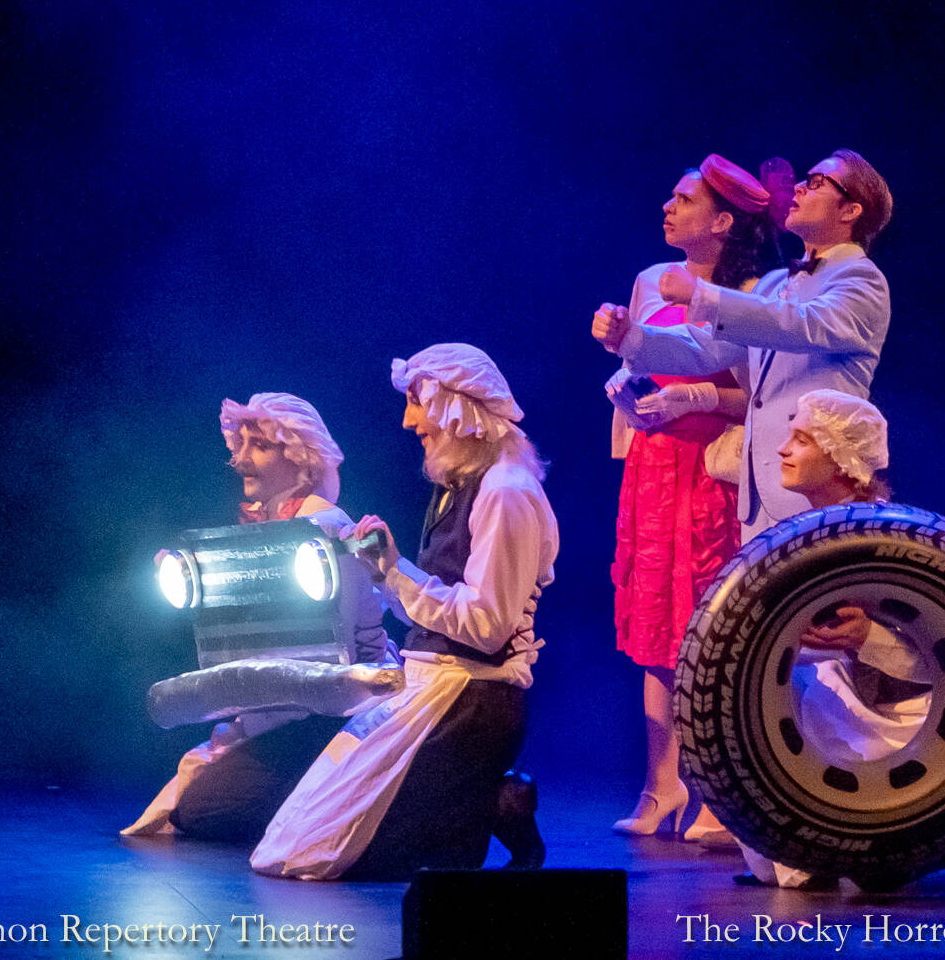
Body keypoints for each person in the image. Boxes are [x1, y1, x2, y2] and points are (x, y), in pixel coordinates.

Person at [251, 344, 557, 880]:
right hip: (426, 682)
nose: (409, 420)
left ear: (456, 409)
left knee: (333, 855)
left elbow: (486, 627)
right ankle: (470, 798)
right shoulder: (459, 486)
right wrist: (382, 570)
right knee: (290, 845)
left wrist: (398, 572)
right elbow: (439, 605)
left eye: (418, 403)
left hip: (471, 695)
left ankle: (498, 800)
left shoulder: (506, 492)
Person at [735, 390, 945, 889]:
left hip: (902, 718)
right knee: (785, 863)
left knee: (874, 870)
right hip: (825, 704)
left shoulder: (896, 543)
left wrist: (867, 637)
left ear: (842, 462)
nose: (783, 450)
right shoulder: (796, 538)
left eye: (801, 440)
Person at [604, 154, 787, 841]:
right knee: (655, 628)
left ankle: (719, 791)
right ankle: (660, 784)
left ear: (720, 221)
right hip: (656, 461)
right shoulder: (653, 278)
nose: (668, 207)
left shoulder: (751, 291)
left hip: (714, 465)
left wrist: (700, 397)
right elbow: (640, 360)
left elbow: (762, 395)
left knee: (710, 630)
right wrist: (626, 394)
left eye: (684, 200)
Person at [123, 394, 393, 842]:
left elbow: (349, 644)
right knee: (195, 802)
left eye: (260, 446)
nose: (240, 460)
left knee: (202, 810)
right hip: (275, 713)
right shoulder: (261, 529)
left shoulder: (327, 526)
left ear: (301, 459)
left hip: (327, 715)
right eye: (240, 445)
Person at [593, 150, 893, 542]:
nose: (800, 186)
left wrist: (703, 296)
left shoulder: (861, 279)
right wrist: (630, 336)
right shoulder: (776, 284)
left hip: (820, 487)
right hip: (762, 495)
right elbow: (705, 347)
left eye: (817, 182)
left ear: (850, 211)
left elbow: (804, 324)